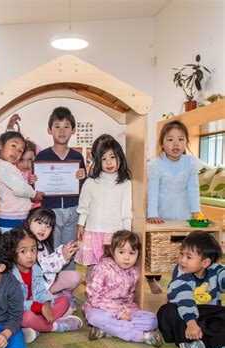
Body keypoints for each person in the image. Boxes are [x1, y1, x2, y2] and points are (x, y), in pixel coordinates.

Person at [146, 120, 202, 294]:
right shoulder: (156, 164)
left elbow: (193, 189)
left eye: (180, 139)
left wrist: (196, 211)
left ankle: (178, 281)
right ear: (162, 143)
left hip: (183, 210)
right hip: (163, 210)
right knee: (159, 246)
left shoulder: (190, 163)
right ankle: (153, 278)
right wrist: (152, 214)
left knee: (180, 245)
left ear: (186, 142)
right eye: (170, 139)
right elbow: (152, 191)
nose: (176, 143)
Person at [83, 230, 163, 347]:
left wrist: (125, 311)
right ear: (112, 251)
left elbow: (129, 299)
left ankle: (108, 330)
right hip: (101, 309)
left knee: (152, 320)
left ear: (138, 254)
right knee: (93, 317)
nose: (127, 258)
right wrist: (117, 312)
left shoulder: (134, 272)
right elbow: (93, 297)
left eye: (132, 253)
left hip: (126, 310)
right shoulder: (102, 268)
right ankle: (140, 336)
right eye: (121, 252)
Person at [157, 231, 225, 348]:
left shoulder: (215, 270)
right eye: (181, 254)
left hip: (205, 318)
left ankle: (201, 345)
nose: (182, 260)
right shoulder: (181, 273)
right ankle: (213, 343)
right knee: (166, 311)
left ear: (205, 262)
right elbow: (184, 298)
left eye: (188, 257)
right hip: (186, 320)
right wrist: (191, 323)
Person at [9, 227, 83, 344]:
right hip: (18, 312)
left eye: (33, 250)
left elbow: (41, 292)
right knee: (26, 317)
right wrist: (39, 307)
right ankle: (55, 326)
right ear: (12, 253)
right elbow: (15, 304)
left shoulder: (36, 268)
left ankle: (36, 327)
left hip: (36, 308)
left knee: (64, 301)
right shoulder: (9, 275)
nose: (30, 256)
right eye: (23, 251)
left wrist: (46, 303)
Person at [35, 107, 86, 265]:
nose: (62, 131)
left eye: (66, 127)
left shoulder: (77, 156)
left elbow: (84, 186)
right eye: (57, 126)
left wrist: (84, 177)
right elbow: (36, 186)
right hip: (51, 211)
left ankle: (67, 284)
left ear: (73, 130)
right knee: (51, 249)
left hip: (73, 210)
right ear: (50, 130)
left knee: (69, 248)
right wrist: (33, 180)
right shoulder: (42, 156)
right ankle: (51, 285)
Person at [75, 136, 132, 278]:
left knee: (114, 269)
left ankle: (112, 296)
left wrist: (127, 233)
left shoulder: (125, 183)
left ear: (120, 157)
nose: (108, 162)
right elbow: (84, 206)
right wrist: (81, 224)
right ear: (98, 161)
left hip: (115, 234)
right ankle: (93, 296)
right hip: (94, 232)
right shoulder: (91, 182)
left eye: (112, 157)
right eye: (104, 158)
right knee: (93, 269)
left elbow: (126, 211)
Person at [24, 207, 81, 308]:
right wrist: (63, 257)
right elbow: (45, 265)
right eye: (39, 223)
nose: (43, 229)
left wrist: (63, 252)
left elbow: (50, 258)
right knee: (64, 308)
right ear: (29, 222)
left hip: (48, 284)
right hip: (34, 290)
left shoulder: (43, 244)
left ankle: (61, 295)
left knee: (75, 277)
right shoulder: (24, 245)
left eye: (48, 226)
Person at [0, 130, 43, 232]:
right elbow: (20, 188)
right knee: (12, 246)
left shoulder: (7, 166)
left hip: (15, 216)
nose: (16, 152)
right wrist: (35, 194)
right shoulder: (3, 166)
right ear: (0, 145)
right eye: (13, 146)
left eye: (20, 151)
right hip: (11, 218)